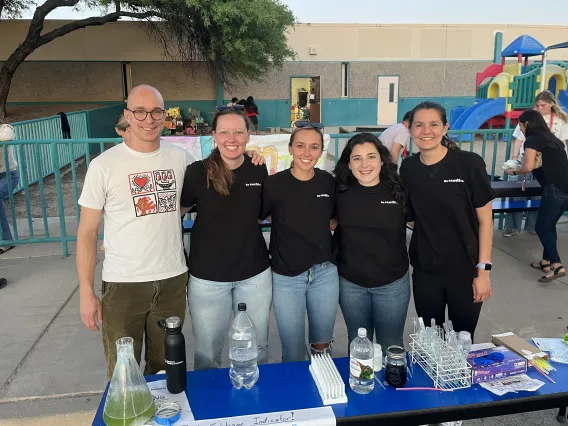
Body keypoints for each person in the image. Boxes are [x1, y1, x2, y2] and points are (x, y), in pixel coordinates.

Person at [77, 85, 194, 379]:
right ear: (128, 116)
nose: (148, 119)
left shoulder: (180, 158)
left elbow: (192, 201)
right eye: (140, 111)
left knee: (166, 368)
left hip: (171, 279)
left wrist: (252, 156)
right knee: (123, 373)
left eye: (156, 111)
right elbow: (87, 233)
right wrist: (86, 292)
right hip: (123, 284)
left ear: (164, 115)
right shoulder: (103, 165)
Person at [180, 108, 271, 370]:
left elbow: (263, 214)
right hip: (208, 279)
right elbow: (177, 211)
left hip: (254, 275)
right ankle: (211, 404)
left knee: (257, 347)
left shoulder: (258, 169)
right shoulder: (197, 172)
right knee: (208, 353)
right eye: (224, 132)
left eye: (238, 132)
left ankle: (255, 401)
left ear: (248, 135)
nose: (232, 138)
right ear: (213, 135)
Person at [399, 101, 495, 339]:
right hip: (426, 271)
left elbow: (485, 222)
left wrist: (483, 273)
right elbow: (411, 217)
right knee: (431, 340)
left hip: (465, 270)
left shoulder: (469, 164)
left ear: (445, 128)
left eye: (433, 124)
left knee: (462, 339)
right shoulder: (409, 168)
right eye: (419, 125)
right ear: (409, 129)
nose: (426, 131)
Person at [261, 122, 338, 362]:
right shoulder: (273, 184)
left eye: (314, 147)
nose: (307, 153)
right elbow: (265, 214)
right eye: (301, 146)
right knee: (292, 352)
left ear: (321, 150)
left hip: (324, 273)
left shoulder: (328, 182)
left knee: (322, 347)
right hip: (286, 276)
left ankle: (323, 391)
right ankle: (297, 398)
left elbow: (335, 220)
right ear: (290, 148)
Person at [332, 133, 410, 349]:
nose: (364, 165)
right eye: (357, 158)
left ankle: (390, 384)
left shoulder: (399, 190)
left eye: (371, 157)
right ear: (349, 163)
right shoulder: (339, 191)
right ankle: (360, 383)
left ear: (382, 160)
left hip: (392, 284)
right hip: (351, 284)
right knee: (358, 345)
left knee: (391, 345)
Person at [505, 110, 568, 283]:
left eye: (520, 125)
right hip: (566, 188)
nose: (520, 128)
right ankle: (546, 262)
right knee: (550, 225)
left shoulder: (532, 141)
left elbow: (529, 166)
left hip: (554, 189)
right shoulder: (553, 139)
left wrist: (513, 170)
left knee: (542, 227)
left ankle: (557, 265)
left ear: (527, 124)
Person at [503, 90, 568, 237]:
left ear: (552, 104)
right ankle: (512, 226)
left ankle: (533, 226)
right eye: (537, 105)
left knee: (541, 196)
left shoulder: (560, 121)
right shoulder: (529, 118)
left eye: (542, 105)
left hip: (545, 167)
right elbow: (519, 139)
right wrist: (515, 158)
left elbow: (562, 143)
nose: (539, 108)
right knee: (518, 192)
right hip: (528, 160)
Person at [0, 121, 19, 255]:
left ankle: (6, 240)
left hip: (9, 175)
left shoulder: (5, 128)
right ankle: (5, 239)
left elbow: (7, 136)